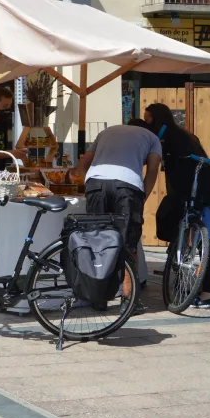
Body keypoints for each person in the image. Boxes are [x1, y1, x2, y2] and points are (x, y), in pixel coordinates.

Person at [145, 103, 210, 308]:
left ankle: (202, 291)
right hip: (195, 192)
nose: (146, 123)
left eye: (148, 119)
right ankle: (196, 288)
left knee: (199, 243)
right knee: (192, 240)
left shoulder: (170, 139)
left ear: (158, 119)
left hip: (196, 193)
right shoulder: (181, 135)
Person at [75, 120, 162, 309]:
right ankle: (129, 300)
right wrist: (143, 196)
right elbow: (153, 169)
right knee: (128, 243)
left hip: (96, 184)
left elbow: (82, 163)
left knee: (97, 241)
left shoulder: (107, 132)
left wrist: (88, 182)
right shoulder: (152, 137)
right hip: (128, 186)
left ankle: (97, 297)